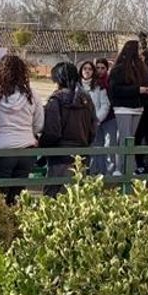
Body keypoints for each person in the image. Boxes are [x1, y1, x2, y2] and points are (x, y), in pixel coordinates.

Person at [0, 55, 42, 204]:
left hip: (0, 149)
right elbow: (39, 124)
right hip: (26, 149)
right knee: (17, 196)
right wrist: (29, 133)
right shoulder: (32, 95)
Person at [39, 61, 95, 197]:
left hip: (59, 155)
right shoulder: (86, 99)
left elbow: (52, 132)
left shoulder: (55, 100)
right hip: (81, 154)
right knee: (77, 197)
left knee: (51, 196)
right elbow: (93, 127)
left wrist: (41, 146)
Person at [107, 40, 148, 176]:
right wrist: (137, 90)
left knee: (131, 138)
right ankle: (121, 168)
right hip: (123, 107)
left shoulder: (141, 67)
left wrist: (146, 91)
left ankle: (130, 167)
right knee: (124, 138)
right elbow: (115, 89)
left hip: (138, 107)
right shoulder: (119, 69)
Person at [79, 60, 113, 175]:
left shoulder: (99, 87)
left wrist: (96, 120)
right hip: (79, 124)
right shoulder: (76, 86)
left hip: (94, 123)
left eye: (90, 69)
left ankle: (96, 173)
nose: (87, 71)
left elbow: (105, 105)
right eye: (85, 68)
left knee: (96, 149)